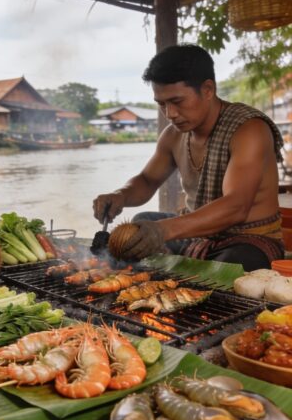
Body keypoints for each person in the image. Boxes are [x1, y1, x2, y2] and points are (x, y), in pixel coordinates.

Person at [93, 44, 284, 271]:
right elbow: (146, 180)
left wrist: (163, 230)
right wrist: (120, 195)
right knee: (141, 223)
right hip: (199, 235)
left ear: (208, 90)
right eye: (162, 104)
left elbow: (236, 206)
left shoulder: (249, 129)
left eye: (177, 101)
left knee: (232, 264)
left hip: (248, 239)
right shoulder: (173, 135)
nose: (170, 113)